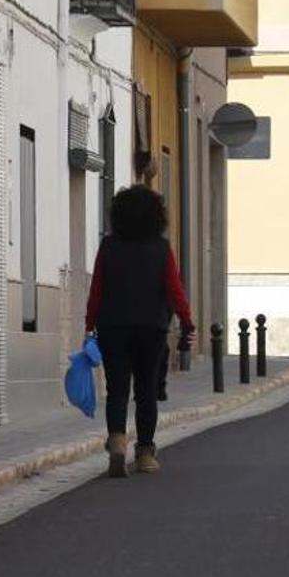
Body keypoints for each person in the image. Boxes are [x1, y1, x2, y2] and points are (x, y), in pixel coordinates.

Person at [86, 186, 194, 477]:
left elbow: (97, 289)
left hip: (113, 327)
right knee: (146, 390)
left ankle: (118, 441)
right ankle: (145, 453)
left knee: (117, 390)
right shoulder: (161, 248)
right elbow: (175, 289)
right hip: (152, 327)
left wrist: (89, 325)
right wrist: (187, 321)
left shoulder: (109, 247)